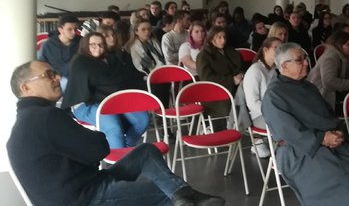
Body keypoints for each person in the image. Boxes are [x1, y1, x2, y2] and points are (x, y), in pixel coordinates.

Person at [7, 60, 225, 206]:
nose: (56, 78)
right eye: (48, 75)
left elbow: (87, 153)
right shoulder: (45, 118)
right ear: (26, 88)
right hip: (84, 198)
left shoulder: (31, 120)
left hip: (87, 184)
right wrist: (91, 140)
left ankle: (182, 192)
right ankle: (182, 196)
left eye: (54, 73)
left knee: (146, 151)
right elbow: (99, 149)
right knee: (162, 192)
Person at [261, 43, 349, 206]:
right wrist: (322, 139)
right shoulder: (274, 95)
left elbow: (327, 115)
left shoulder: (308, 87)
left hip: (328, 143)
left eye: (305, 58)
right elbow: (288, 131)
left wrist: (337, 132)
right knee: (340, 179)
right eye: (299, 60)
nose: (306, 63)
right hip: (300, 151)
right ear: (284, 66)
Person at [62, 33, 150, 149]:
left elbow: (123, 79)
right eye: (93, 45)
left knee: (143, 119)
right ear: (85, 45)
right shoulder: (80, 62)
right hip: (87, 103)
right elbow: (103, 84)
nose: (97, 48)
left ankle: (127, 146)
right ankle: (121, 164)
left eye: (101, 44)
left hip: (113, 98)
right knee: (114, 127)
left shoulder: (111, 59)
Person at [196, 27, 243, 130]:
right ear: (212, 39)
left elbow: (241, 67)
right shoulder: (204, 56)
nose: (223, 40)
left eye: (224, 37)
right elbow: (206, 78)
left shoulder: (231, 51)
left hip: (237, 87)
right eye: (219, 37)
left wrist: (240, 75)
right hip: (217, 91)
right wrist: (231, 80)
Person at [242, 37, 282, 158]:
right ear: (266, 50)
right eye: (276, 48)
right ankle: (283, 160)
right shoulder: (255, 71)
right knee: (288, 125)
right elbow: (252, 103)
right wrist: (273, 112)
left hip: (272, 113)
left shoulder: (274, 71)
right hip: (258, 116)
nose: (280, 51)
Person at [308, 31, 349, 111]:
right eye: (348, 45)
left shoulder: (343, 56)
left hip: (334, 91)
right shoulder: (330, 57)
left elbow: (348, 78)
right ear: (339, 45)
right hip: (324, 96)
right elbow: (329, 81)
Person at [38, 14, 81, 92]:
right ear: (60, 30)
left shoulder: (81, 42)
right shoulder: (48, 45)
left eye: (75, 29)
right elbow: (42, 65)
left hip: (78, 77)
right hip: (58, 78)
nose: (74, 32)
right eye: (69, 29)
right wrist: (53, 75)